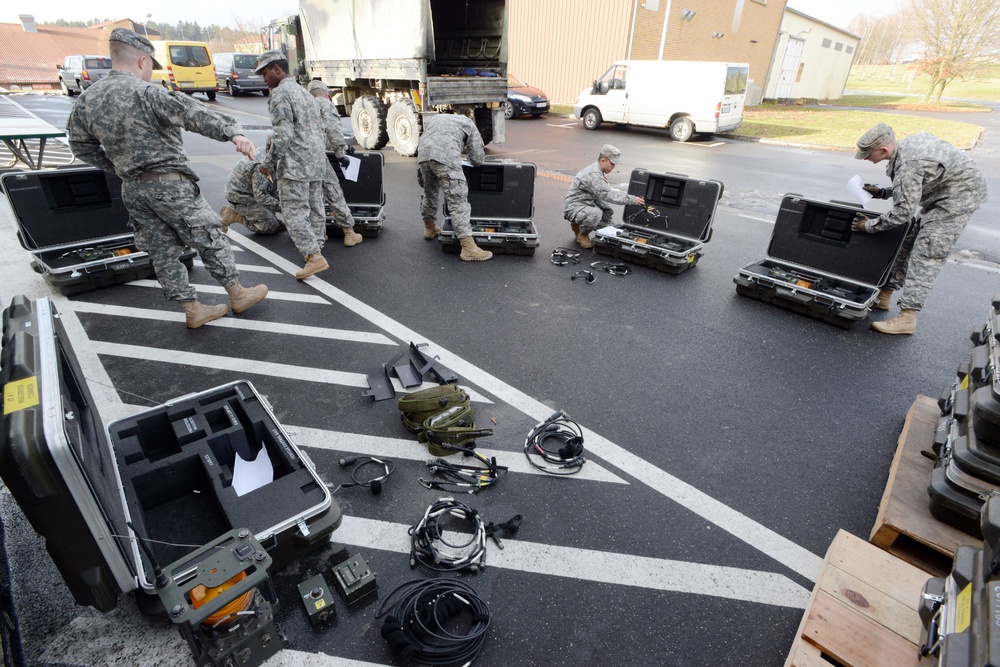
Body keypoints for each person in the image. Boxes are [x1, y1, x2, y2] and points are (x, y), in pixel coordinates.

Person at [66, 28, 268, 329]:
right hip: (169, 184)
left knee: (162, 251)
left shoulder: (87, 100)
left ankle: (192, 309)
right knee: (210, 237)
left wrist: (116, 166)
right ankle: (237, 294)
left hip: (133, 189)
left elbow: (80, 145)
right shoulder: (146, 92)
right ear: (142, 61)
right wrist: (233, 133)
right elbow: (191, 112)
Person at [853, 122, 989, 335]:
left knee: (926, 253)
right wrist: (883, 193)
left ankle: (907, 318)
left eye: (867, 154)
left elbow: (901, 213)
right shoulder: (904, 151)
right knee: (907, 241)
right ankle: (885, 293)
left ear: (883, 150)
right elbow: (914, 184)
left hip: (958, 198)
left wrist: (868, 226)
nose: (866, 158)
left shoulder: (909, 163)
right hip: (944, 190)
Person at [255, 51, 329, 279]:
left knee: (294, 213)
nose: (263, 79)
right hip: (315, 162)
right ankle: (316, 250)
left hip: (295, 165)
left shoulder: (280, 95)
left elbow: (283, 135)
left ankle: (314, 257)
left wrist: (267, 163)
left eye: (265, 73)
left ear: (277, 69)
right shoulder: (304, 93)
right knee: (316, 209)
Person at [417, 113, 493, 261]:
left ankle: (429, 228)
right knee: (457, 199)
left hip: (423, 154)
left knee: (430, 192)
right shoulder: (468, 123)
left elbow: (424, 139)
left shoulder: (434, 119)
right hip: (445, 156)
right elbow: (477, 159)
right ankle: (468, 247)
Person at [306, 80, 364, 248]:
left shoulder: (303, 105)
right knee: (333, 193)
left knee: (312, 198)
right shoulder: (324, 103)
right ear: (326, 95)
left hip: (299, 159)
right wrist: (341, 153)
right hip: (317, 158)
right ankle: (349, 233)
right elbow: (332, 128)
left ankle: (319, 236)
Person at [563, 145, 645, 249]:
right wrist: (632, 199)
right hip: (573, 208)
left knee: (609, 225)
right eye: (612, 164)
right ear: (603, 160)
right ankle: (582, 235)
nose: (613, 167)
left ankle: (578, 225)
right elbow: (608, 194)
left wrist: (606, 209)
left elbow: (597, 195)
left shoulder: (598, 171)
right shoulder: (593, 175)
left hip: (585, 205)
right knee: (596, 214)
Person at [220, 150, 283, 236]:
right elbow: (261, 197)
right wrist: (286, 209)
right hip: (242, 197)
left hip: (257, 190)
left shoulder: (277, 155)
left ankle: (269, 215)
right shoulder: (262, 166)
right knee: (271, 227)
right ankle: (236, 215)